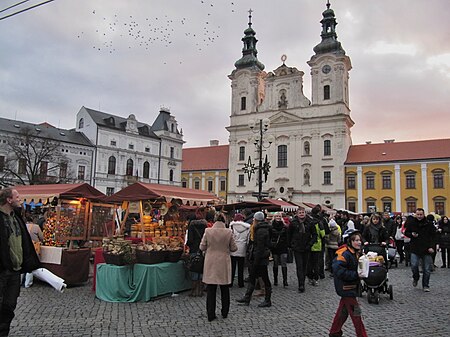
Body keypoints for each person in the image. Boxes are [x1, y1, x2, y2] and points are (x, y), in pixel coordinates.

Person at [0, 188, 41, 336]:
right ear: (9, 200)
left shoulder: (16, 218)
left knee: (9, 307)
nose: (20, 199)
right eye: (17, 197)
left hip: (15, 271)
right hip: (2, 270)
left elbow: (25, 242)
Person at [329, 229, 368, 337]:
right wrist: (356, 275)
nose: (359, 242)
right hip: (346, 287)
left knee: (343, 311)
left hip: (351, 287)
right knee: (357, 314)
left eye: (360, 240)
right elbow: (339, 271)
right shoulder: (343, 254)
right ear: (350, 241)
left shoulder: (355, 252)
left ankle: (334, 332)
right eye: (356, 240)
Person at [200, 213, 237, 322]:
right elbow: (234, 248)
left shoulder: (208, 231)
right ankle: (224, 312)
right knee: (225, 289)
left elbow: (202, 247)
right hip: (223, 262)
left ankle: (210, 314)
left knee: (211, 290)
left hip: (211, 261)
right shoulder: (228, 232)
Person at [236, 211, 272, 307]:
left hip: (260, 258)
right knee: (253, 277)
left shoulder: (261, 231)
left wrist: (255, 260)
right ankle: (247, 298)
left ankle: (267, 300)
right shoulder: (261, 228)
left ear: (256, 220)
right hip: (259, 257)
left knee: (264, 278)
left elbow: (260, 248)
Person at [404, 208, 436, 292]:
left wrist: (432, 247)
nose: (419, 216)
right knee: (414, 265)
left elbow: (434, 236)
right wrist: (411, 234)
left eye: (421, 214)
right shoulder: (411, 223)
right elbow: (406, 232)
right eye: (418, 214)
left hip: (427, 248)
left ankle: (425, 285)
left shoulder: (429, 224)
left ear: (423, 214)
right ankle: (416, 277)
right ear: (415, 214)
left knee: (427, 269)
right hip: (415, 248)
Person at [287, 207, 318, 293]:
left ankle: (303, 281)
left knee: (305, 266)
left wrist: (310, 244)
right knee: (299, 266)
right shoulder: (293, 223)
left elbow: (315, 235)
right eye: (300, 212)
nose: (301, 214)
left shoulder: (310, 222)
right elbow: (289, 234)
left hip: (306, 247)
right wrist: (290, 245)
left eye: (303, 212)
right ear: (297, 214)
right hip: (297, 247)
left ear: (305, 213)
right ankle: (301, 284)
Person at [186, 213, 207, 297]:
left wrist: (188, 245)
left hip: (194, 249)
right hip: (202, 250)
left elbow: (190, 240)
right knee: (201, 269)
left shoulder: (191, 226)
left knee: (194, 268)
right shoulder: (205, 226)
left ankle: (194, 291)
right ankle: (200, 291)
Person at [230, 213, 250, 287]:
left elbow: (230, 237)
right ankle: (240, 283)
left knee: (232, 267)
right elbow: (248, 239)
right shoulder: (247, 227)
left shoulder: (232, 226)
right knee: (241, 267)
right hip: (242, 248)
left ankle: (231, 282)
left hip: (233, 248)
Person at [270, 212, 289, 287]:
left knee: (284, 263)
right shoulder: (271, 226)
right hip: (275, 247)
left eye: (279, 216)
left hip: (283, 246)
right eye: (276, 216)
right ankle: (275, 280)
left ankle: (285, 281)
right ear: (274, 217)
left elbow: (287, 236)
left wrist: (287, 244)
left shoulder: (285, 226)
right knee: (275, 263)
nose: (278, 217)